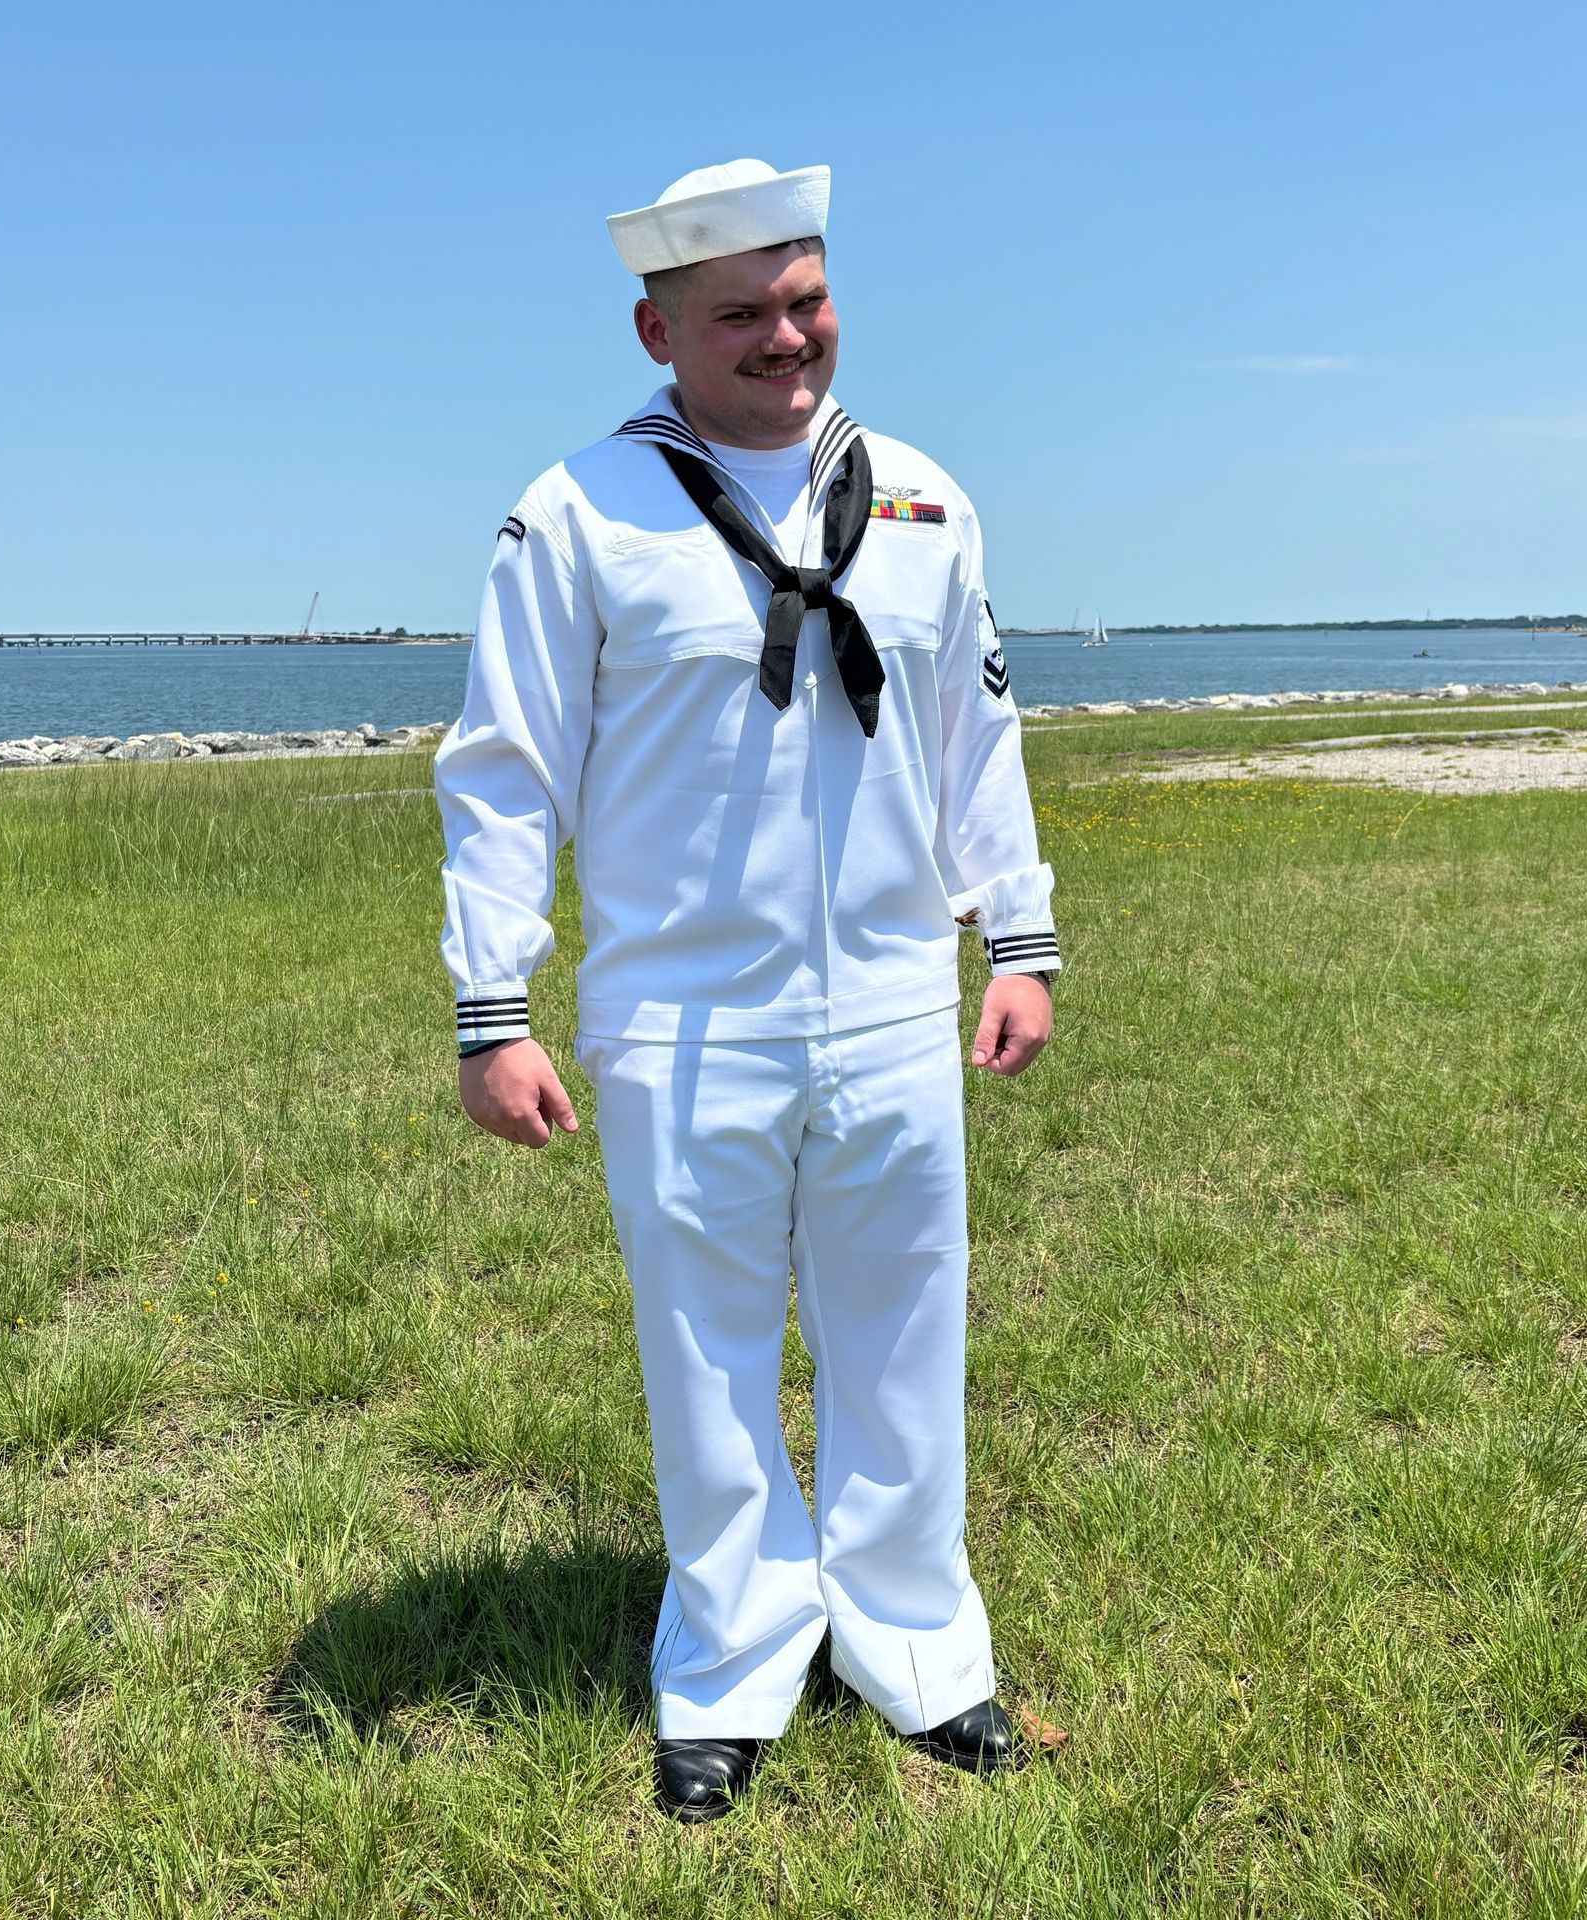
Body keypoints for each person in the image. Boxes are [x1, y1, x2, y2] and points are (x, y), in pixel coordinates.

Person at [432, 158, 1061, 1821]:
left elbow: (975, 732)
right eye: (740, 317)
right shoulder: (580, 514)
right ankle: (728, 1661)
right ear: (658, 331)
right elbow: (505, 769)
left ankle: (917, 1646)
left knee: (906, 1334)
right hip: (682, 1017)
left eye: (807, 301)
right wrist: (493, 1006)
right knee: (705, 1359)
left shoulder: (923, 499)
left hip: (890, 1001)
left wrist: (1016, 934)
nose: (787, 339)